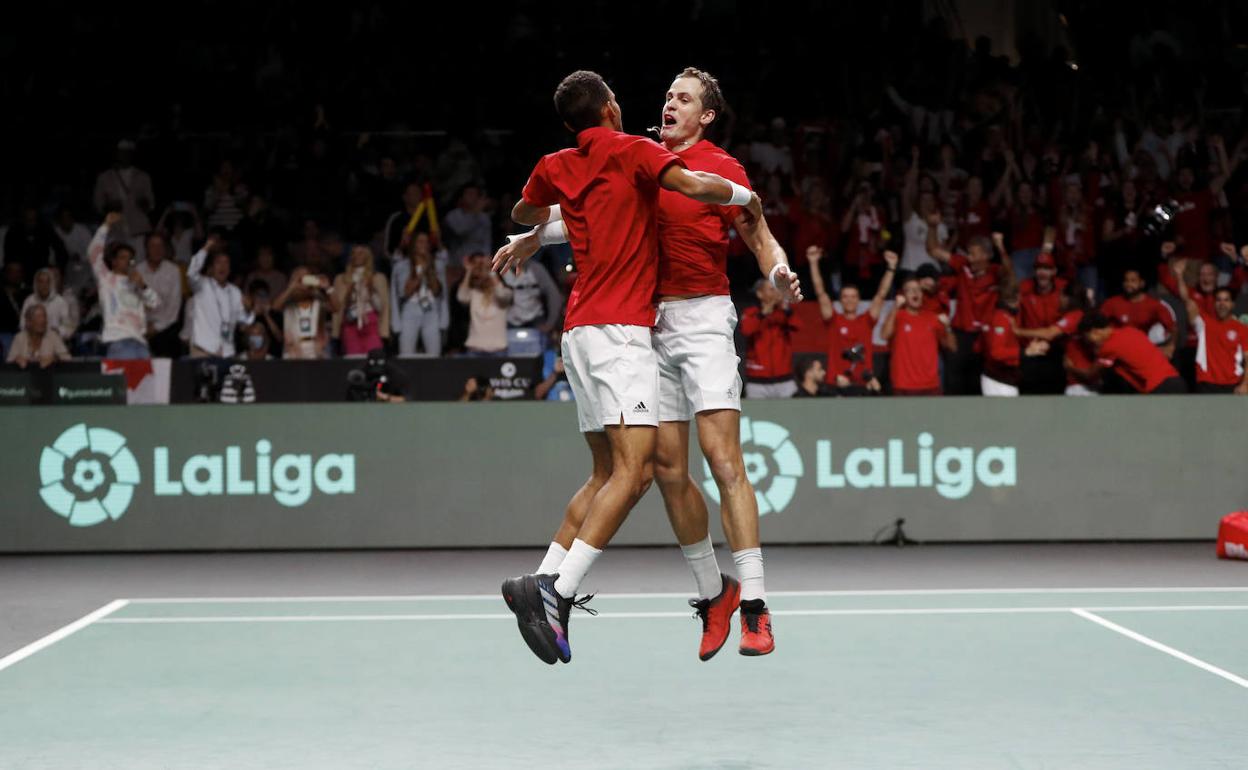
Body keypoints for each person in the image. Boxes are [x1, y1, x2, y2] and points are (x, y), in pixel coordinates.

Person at [498, 68, 800, 658]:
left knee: (722, 459)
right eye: (666, 95)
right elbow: (590, 207)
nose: (669, 104)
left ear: (705, 116)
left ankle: (757, 607)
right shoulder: (639, 155)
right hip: (646, 323)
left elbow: (758, 228)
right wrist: (537, 239)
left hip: (704, 318)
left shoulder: (722, 165)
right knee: (663, 469)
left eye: (683, 99)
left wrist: (777, 269)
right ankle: (713, 594)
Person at [926, 226, 1013, 394]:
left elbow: (1009, 273)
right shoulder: (962, 265)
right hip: (961, 334)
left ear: (986, 255)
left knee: (978, 385)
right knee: (954, 383)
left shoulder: (995, 272)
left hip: (984, 336)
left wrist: (1000, 246)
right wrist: (932, 226)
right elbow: (933, 250)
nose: (970, 258)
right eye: (969, 254)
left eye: (973, 254)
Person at [809, 246, 895, 394]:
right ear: (840, 300)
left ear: (859, 300)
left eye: (853, 297)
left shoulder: (867, 320)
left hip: (863, 384)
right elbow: (820, 292)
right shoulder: (833, 320)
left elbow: (881, 294)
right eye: (845, 297)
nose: (849, 300)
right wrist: (813, 262)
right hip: (836, 384)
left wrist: (891, 267)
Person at [1169, 259, 1248, 394]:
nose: (1222, 303)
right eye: (1218, 300)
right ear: (1214, 303)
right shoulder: (1204, 324)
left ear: (1233, 304)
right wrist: (1179, 276)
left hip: (1233, 385)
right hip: (1206, 385)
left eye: (1226, 300)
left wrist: (1245, 384)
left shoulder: (1242, 329)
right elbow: (1187, 300)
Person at [88, 212, 160, 359]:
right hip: (119, 341)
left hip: (140, 342)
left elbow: (155, 303)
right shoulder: (106, 279)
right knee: (121, 382)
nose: (127, 261)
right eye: (122, 257)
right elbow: (93, 253)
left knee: (146, 382)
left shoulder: (137, 282)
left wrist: (143, 286)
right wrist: (105, 226)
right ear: (113, 261)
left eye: (130, 258)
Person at [1078, 313, 1186, 393]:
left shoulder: (1109, 346)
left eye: (1088, 339)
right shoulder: (1131, 330)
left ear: (1095, 332)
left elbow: (1090, 374)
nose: (1090, 343)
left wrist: (1069, 367)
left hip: (1160, 388)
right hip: (1177, 382)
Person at [882, 277, 956, 395]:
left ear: (922, 294)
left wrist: (948, 327)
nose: (915, 292)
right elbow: (885, 335)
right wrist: (895, 307)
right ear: (903, 296)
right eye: (910, 290)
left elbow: (952, 347)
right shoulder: (897, 316)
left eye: (918, 289)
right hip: (903, 384)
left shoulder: (933, 317)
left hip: (930, 385)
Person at [186, 235, 254, 358]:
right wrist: (207, 247)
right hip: (203, 350)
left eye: (226, 263)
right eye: (218, 263)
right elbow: (191, 272)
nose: (222, 266)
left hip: (227, 352)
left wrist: (249, 310)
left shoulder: (235, 292)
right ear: (211, 268)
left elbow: (244, 324)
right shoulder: (201, 285)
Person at [740, 279, 799, 398]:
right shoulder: (751, 312)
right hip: (757, 381)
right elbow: (746, 330)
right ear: (760, 293)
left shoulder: (784, 313)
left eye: (777, 289)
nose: (776, 293)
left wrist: (785, 307)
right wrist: (766, 310)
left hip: (784, 379)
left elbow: (797, 326)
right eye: (771, 289)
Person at [390, 232, 447, 356]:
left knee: (434, 353)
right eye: (420, 241)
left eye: (426, 242)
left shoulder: (436, 264)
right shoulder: (403, 265)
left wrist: (429, 267)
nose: (423, 245)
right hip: (410, 308)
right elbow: (406, 292)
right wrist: (420, 270)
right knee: (406, 352)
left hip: (431, 310)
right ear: (413, 245)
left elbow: (437, 290)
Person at [1099, 268, 1176, 357]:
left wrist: (1171, 346)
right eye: (1126, 280)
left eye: (1133, 281)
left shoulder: (1154, 305)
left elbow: (1173, 328)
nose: (1129, 284)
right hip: (1117, 350)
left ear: (1141, 283)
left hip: (1141, 349)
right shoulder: (1112, 303)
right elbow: (1096, 324)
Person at [332, 245, 390, 356]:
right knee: (353, 358)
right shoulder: (341, 279)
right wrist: (350, 290)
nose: (357, 256)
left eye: (361, 253)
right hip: (350, 322)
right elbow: (338, 306)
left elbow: (381, 307)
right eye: (354, 253)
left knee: (374, 355)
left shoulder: (377, 277)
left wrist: (371, 290)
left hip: (370, 321)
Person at [93, 140, 155, 241]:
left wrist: (142, 202)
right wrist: (109, 206)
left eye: (127, 152)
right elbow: (98, 205)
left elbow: (151, 204)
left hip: (138, 229)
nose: (124, 156)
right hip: (114, 228)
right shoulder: (104, 178)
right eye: (121, 152)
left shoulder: (143, 176)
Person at [136, 232, 184, 357]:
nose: (157, 250)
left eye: (160, 246)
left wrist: (156, 327)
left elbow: (174, 306)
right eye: (153, 246)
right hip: (140, 326)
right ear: (146, 249)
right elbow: (133, 303)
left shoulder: (173, 270)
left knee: (170, 341)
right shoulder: (137, 271)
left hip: (166, 327)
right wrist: (144, 327)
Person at [274, 265, 336, 359]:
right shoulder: (288, 303)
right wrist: (291, 288)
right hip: (293, 350)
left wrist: (328, 288)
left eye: (305, 278)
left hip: (316, 349)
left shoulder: (318, 302)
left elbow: (336, 308)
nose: (302, 282)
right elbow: (275, 307)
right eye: (299, 279)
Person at [457, 252, 512, 356]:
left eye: (486, 273)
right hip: (475, 349)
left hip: (498, 350)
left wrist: (491, 270)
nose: (483, 276)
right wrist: (468, 271)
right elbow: (461, 297)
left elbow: (502, 296)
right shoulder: (474, 293)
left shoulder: (505, 292)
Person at [6, 305, 70, 368]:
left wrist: (54, 358)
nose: (43, 320)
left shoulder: (53, 336)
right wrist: (16, 359)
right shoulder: (19, 338)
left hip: (48, 376)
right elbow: (9, 362)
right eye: (38, 317)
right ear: (28, 322)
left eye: (44, 316)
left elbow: (67, 359)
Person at [20, 268, 75, 341]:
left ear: (51, 283)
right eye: (41, 282)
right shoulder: (29, 301)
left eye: (47, 282)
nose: (44, 285)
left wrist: (58, 331)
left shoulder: (60, 301)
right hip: (33, 342)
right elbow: (22, 324)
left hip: (55, 342)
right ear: (36, 283)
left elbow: (68, 327)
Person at [443, 184, 492, 262]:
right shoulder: (453, 215)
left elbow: (486, 241)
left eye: (474, 194)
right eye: (469, 194)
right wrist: (475, 213)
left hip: (479, 259)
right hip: (458, 260)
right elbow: (460, 231)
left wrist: (486, 259)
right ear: (461, 197)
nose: (472, 197)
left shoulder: (484, 217)